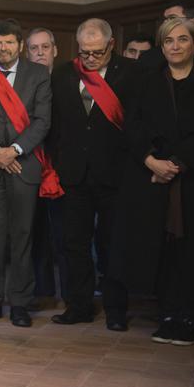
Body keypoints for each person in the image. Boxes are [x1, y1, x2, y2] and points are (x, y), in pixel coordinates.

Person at [110, 17, 194, 345]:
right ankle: (168, 312)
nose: (175, 46)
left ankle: (191, 315)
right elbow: (132, 124)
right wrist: (151, 159)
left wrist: (177, 163)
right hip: (153, 175)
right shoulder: (147, 80)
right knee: (162, 246)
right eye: (168, 41)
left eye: (182, 40)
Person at [47, 19, 141, 331]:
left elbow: (136, 126)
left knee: (113, 244)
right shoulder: (63, 74)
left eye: (97, 53)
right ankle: (79, 305)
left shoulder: (130, 73)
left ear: (111, 45)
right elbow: (56, 125)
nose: (90, 59)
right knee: (75, 243)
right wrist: (57, 165)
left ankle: (116, 309)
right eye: (84, 53)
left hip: (114, 174)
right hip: (74, 174)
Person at [0, 19, 56, 328]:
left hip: (25, 165)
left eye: (9, 43)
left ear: (19, 45)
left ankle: (19, 302)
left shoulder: (38, 75)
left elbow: (42, 121)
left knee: (22, 236)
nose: (3, 48)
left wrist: (14, 151)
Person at [25, 27, 66, 310]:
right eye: (34, 49)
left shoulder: (67, 81)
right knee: (35, 232)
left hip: (64, 169)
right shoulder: (23, 83)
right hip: (30, 165)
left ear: (55, 50)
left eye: (45, 47)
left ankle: (72, 293)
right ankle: (42, 290)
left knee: (65, 235)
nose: (40, 53)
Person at [138, 0, 194, 70]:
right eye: (165, 20)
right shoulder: (150, 58)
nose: (165, 23)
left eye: (172, 18)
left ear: (193, 22)